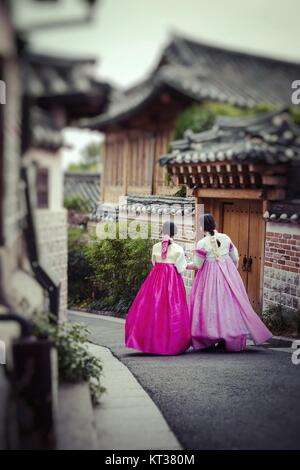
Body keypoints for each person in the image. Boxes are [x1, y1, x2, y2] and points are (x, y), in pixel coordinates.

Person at [188, 213, 272, 351]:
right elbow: (235, 257)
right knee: (228, 306)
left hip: (208, 280)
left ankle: (209, 338)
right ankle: (227, 338)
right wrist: (230, 271)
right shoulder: (226, 238)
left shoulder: (202, 243)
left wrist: (183, 265)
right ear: (214, 224)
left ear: (202, 226)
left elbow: (197, 265)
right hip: (228, 277)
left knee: (209, 306)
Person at [125, 221, 191, 355]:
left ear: (163, 231)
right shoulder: (178, 248)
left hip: (156, 278)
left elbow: (154, 262)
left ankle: (150, 342)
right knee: (171, 308)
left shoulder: (156, 246)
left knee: (152, 308)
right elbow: (180, 267)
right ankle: (171, 343)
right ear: (175, 232)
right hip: (172, 280)